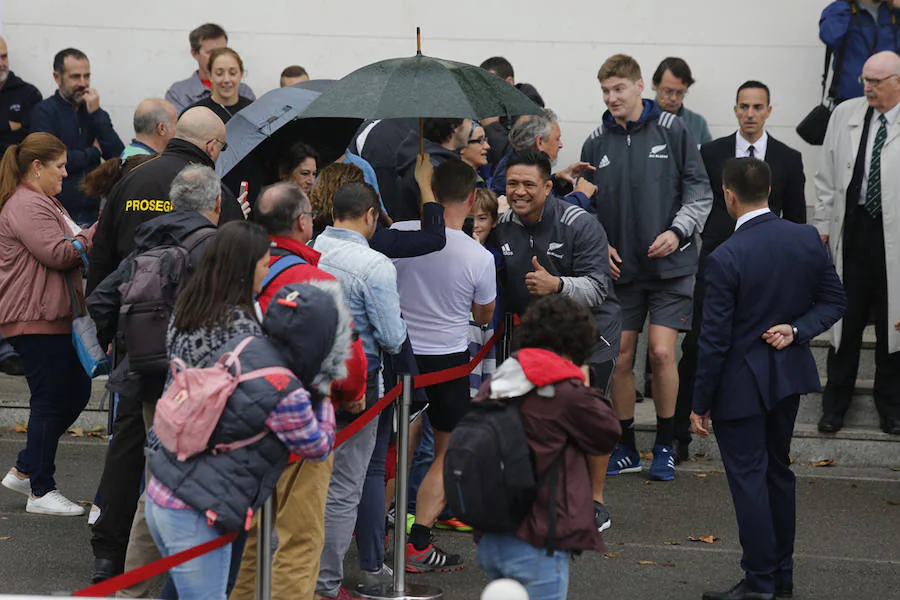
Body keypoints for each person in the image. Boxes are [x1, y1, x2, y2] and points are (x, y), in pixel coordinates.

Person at [144, 221, 341, 598]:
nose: (269, 271)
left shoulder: (189, 304)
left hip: (175, 449)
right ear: (243, 266)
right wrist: (319, 392)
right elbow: (315, 443)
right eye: (264, 263)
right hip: (212, 477)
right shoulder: (241, 329)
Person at [691, 157, 846, 600]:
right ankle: (780, 577)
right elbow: (835, 301)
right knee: (777, 474)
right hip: (786, 378)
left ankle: (759, 582)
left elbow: (714, 340)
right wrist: (796, 330)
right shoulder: (804, 237)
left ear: (729, 195)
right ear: (771, 191)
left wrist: (699, 401)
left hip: (739, 385)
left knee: (750, 481)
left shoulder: (726, 256)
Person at [85, 165, 223, 583]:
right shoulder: (216, 247)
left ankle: (124, 572)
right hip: (196, 386)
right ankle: (188, 573)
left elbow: (101, 300)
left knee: (149, 477)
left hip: (144, 376)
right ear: (216, 205)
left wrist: (125, 343)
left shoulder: (148, 242)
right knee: (194, 477)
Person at [230, 182, 367, 600]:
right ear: (302, 222)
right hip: (301, 422)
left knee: (248, 535)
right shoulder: (314, 278)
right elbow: (348, 357)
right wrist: (353, 394)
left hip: (240, 418)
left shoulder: (234, 266)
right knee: (300, 536)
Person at [580, 53, 712, 481]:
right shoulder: (595, 142)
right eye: (605, 90)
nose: (611, 97)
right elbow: (587, 210)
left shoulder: (675, 131)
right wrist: (600, 245)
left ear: (640, 86)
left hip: (672, 267)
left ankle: (666, 444)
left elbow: (700, 193)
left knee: (660, 352)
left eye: (618, 88)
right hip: (623, 273)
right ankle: (624, 444)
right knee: (619, 357)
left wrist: (677, 232)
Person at [674, 80, 808, 462]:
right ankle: (679, 434)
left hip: (767, 270)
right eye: (743, 107)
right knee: (698, 343)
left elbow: (796, 220)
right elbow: (698, 201)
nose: (750, 114)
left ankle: (765, 438)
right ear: (735, 110)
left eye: (757, 107)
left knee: (760, 344)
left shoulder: (787, 158)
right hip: (717, 261)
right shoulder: (711, 153)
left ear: (768, 111)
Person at [492, 149, 620, 529]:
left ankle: (594, 502)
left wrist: (558, 285)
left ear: (548, 187)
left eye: (528, 184)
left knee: (589, 418)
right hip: (534, 335)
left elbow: (599, 288)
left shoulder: (580, 224)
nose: (519, 192)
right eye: (512, 183)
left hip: (591, 334)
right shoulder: (501, 225)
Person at [474, 295, 621, 600]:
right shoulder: (563, 391)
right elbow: (607, 433)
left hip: (492, 533)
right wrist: (582, 382)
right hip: (537, 538)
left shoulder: (502, 378)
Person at [393, 159, 497, 573]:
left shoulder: (396, 234)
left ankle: (382, 534)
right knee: (445, 450)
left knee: (395, 447)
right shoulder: (478, 255)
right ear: (472, 201)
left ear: (428, 189)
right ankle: (418, 541)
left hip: (401, 353)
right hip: (449, 358)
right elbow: (485, 315)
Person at [312, 182, 407, 600]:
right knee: (343, 488)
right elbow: (391, 336)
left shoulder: (310, 249)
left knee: (302, 486)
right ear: (370, 215)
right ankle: (325, 584)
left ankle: (298, 574)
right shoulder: (375, 264)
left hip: (303, 381)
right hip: (357, 386)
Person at [0, 132, 95, 516]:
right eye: (60, 166)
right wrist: (94, 233)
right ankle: (41, 489)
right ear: (36, 167)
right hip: (34, 317)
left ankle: (26, 468)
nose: (66, 173)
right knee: (50, 398)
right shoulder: (27, 204)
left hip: (51, 316)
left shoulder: (42, 201)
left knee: (75, 392)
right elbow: (57, 253)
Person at [813, 50, 900, 435]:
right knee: (843, 323)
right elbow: (827, 176)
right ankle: (835, 406)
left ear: (898, 81)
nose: (866, 87)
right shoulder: (845, 114)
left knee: (891, 326)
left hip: (894, 239)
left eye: (876, 82)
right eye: (864, 80)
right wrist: (822, 228)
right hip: (853, 230)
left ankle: (891, 407)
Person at [86, 106, 245, 295]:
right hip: (189, 310)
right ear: (212, 146)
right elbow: (236, 260)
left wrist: (98, 314)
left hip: (127, 310)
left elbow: (101, 252)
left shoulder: (132, 178)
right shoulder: (215, 191)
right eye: (222, 147)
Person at [30, 48, 124, 226]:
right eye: (75, 77)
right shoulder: (44, 112)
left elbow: (118, 155)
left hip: (93, 212)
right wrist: (93, 153)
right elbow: (51, 162)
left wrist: (96, 114)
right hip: (57, 214)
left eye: (86, 76)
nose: (83, 83)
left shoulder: (94, 112)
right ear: (57, 78)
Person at [496, 109, 597, 208]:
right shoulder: (513, 172)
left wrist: (557, 180)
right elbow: (550, 211)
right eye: (557, 139)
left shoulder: (514, 163)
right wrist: (581, 195)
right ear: (539, 142)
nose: (561, 145)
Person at [819, 0, 900, 103]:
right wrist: (844, 5)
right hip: (852, 98)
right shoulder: (842, 9)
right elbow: (830, 36)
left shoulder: (893, 12)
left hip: (891, 99)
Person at [165, 23, 255, 113]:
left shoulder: (244, 92)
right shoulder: (179, 93)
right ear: (194, 53)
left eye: (223, 50)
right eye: (210, 52)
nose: (218, 56)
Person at [393, 117, 470, 221]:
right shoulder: (439, 169)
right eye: (468, 120)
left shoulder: (423, 159)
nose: (471, 126)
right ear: (454, 126)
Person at [651, 57, 712, 145]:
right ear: (655, 85)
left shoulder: (698, 123)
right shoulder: (640, 119)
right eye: (668, 91)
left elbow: (707, 157)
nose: (673, 98)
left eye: (680, 92)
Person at [184, 47, 252, 123]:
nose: (226, 79)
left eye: (232, 73)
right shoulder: (195, 114)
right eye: (219, 74)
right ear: (210, 76)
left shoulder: (252, 111)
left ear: (241, 74)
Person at [0, 36, 43, 157]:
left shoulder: (29, 94)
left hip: (15, 170)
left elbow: (32, 141)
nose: (1, 64)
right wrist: (7, 125)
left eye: (4, 57)